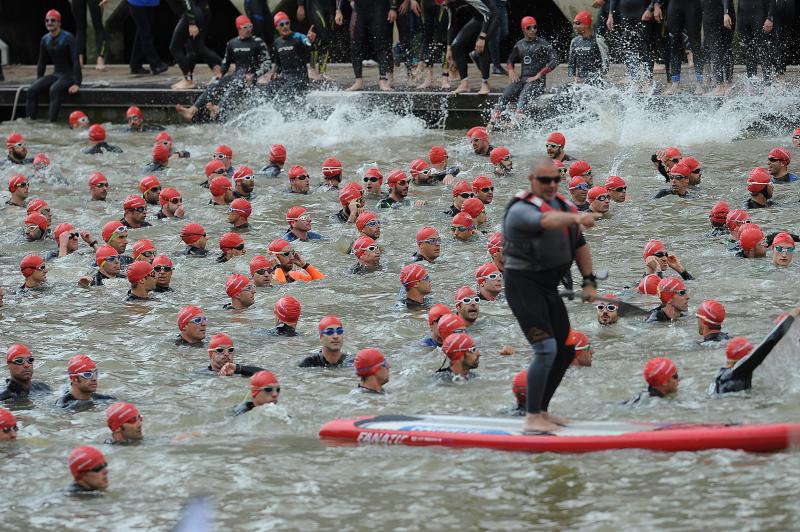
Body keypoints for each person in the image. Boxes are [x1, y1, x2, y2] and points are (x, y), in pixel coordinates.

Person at [503, 156, 601, 432]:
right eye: (544, 180)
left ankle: (543, 411)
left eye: (556, 179)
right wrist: (577, 216)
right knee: (545, 349)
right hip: (523, 286)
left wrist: (589, 281)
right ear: (532, 181)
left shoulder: (564, 205)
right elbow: (546, 221)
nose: (550, 185)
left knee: (566, 350)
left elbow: (579, 244)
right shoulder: (521, 209)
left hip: (548, 287)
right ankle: (531, 416)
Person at [176, 16, 270, 122]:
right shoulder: (232, 43)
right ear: (239, 28)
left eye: (250, 26)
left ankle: (218, 108)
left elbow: (267, 63)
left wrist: (255, 75)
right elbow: (226, 62)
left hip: (250, 77)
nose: (249, 29)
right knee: (215, 84)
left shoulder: (258, 42)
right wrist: (221, 73)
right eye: (245, 27)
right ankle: (192, 110)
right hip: (237, 75)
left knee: (236, 83)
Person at [493, 17, 557, 121]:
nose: (533, 30)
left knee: (523, 96)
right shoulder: (520, 45)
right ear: (523, 29)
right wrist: (511, 71)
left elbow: (554, 60)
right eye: (529, 28)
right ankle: (494, 120)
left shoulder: (543, 44)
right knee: (506, 95)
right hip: (523, 79)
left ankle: (518, 120)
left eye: (535, 27)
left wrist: (539, 75)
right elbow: (510, 60)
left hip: (537, 82)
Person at [25, 10, 81, 122]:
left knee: (54, 89)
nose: (49, 23)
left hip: (68, 75)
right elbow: (41, 62)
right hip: (57, 74)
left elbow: (75, 61)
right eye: (47, 20)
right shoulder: (45, 39)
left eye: (52, 20)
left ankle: (51, 123)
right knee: (31, 90)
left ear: (59, 23)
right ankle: (30, 122)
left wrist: (77, 83)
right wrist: (39, 80)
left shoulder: (68, 37)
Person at [443, 0, 499, 95]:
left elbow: (487, 13)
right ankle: (464, 84)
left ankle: (485, 83)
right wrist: (449, 47)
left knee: (481, 46)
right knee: (455, 46)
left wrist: (482, 37)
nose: (444, 3)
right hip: (477, 19)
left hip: (492, 17)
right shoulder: (448, 3)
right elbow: (451, 24)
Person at [168, 0, 222, 90]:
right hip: (196, 12)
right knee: (196, 48)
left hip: (191, 15)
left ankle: (188, 80)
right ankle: (224, 66)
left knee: (175, 48)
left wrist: (192, 23)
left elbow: (187, 2)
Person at [261, 12, 316, 100]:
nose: (285, 26)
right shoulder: (277, 42)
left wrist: (311, 41)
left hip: (300, 78)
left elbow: (309, 46)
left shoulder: (299, 37)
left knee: (282, 96)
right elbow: (278, 62)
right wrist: (275, 72)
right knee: (266, 92)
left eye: (287, 23)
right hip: (286, 78)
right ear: (277, 27)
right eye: (281, 24)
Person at [654, 0, 704, 94]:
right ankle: (675, 84)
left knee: (695, 44)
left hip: (692, 5)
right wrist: (657, 4)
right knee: (674, 44)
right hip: (674, 5)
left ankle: (699, 83)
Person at [346, 0, 395, 92]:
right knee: (355, 44)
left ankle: (383, 80)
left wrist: (393, 7)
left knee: (382, 44)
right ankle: (358, 80)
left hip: (380, 7)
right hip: (360, 8)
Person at [607, 0, 654, 85]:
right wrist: (610, 14)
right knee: (628, 46)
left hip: (642, 10)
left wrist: (650, 8)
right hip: (625, 12)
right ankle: (634, 79)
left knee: (644, 46)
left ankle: (648, 80)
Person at [734, 0, 775, 83]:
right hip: (743, 17)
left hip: (759, 14)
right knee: (749, 52)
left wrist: (770, 18)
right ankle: (752, 83)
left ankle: (768, 84)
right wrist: (739, 23)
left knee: (763, 50)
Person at [702, 0, 734, 95]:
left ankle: (722, 85)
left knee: (721, 50)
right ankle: (724, 84)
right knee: (719, 50)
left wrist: (726, 13)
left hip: (721, 15)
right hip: (715, 14)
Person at [128, 0, 168, 75]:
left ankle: (135, 65)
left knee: (142, 34)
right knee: (146, 35)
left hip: (151, 3)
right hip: (137, 3)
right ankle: (156, 64)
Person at [568, 11, 609, 85]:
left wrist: (594, 77)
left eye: (577, 23)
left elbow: (606, 64)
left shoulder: (598, 40)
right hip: (580, 82)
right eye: (574, 23)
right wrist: (574, 77)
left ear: (586, 25)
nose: (574, 26)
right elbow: (571, 64)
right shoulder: (574, 41)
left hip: (596, 82)